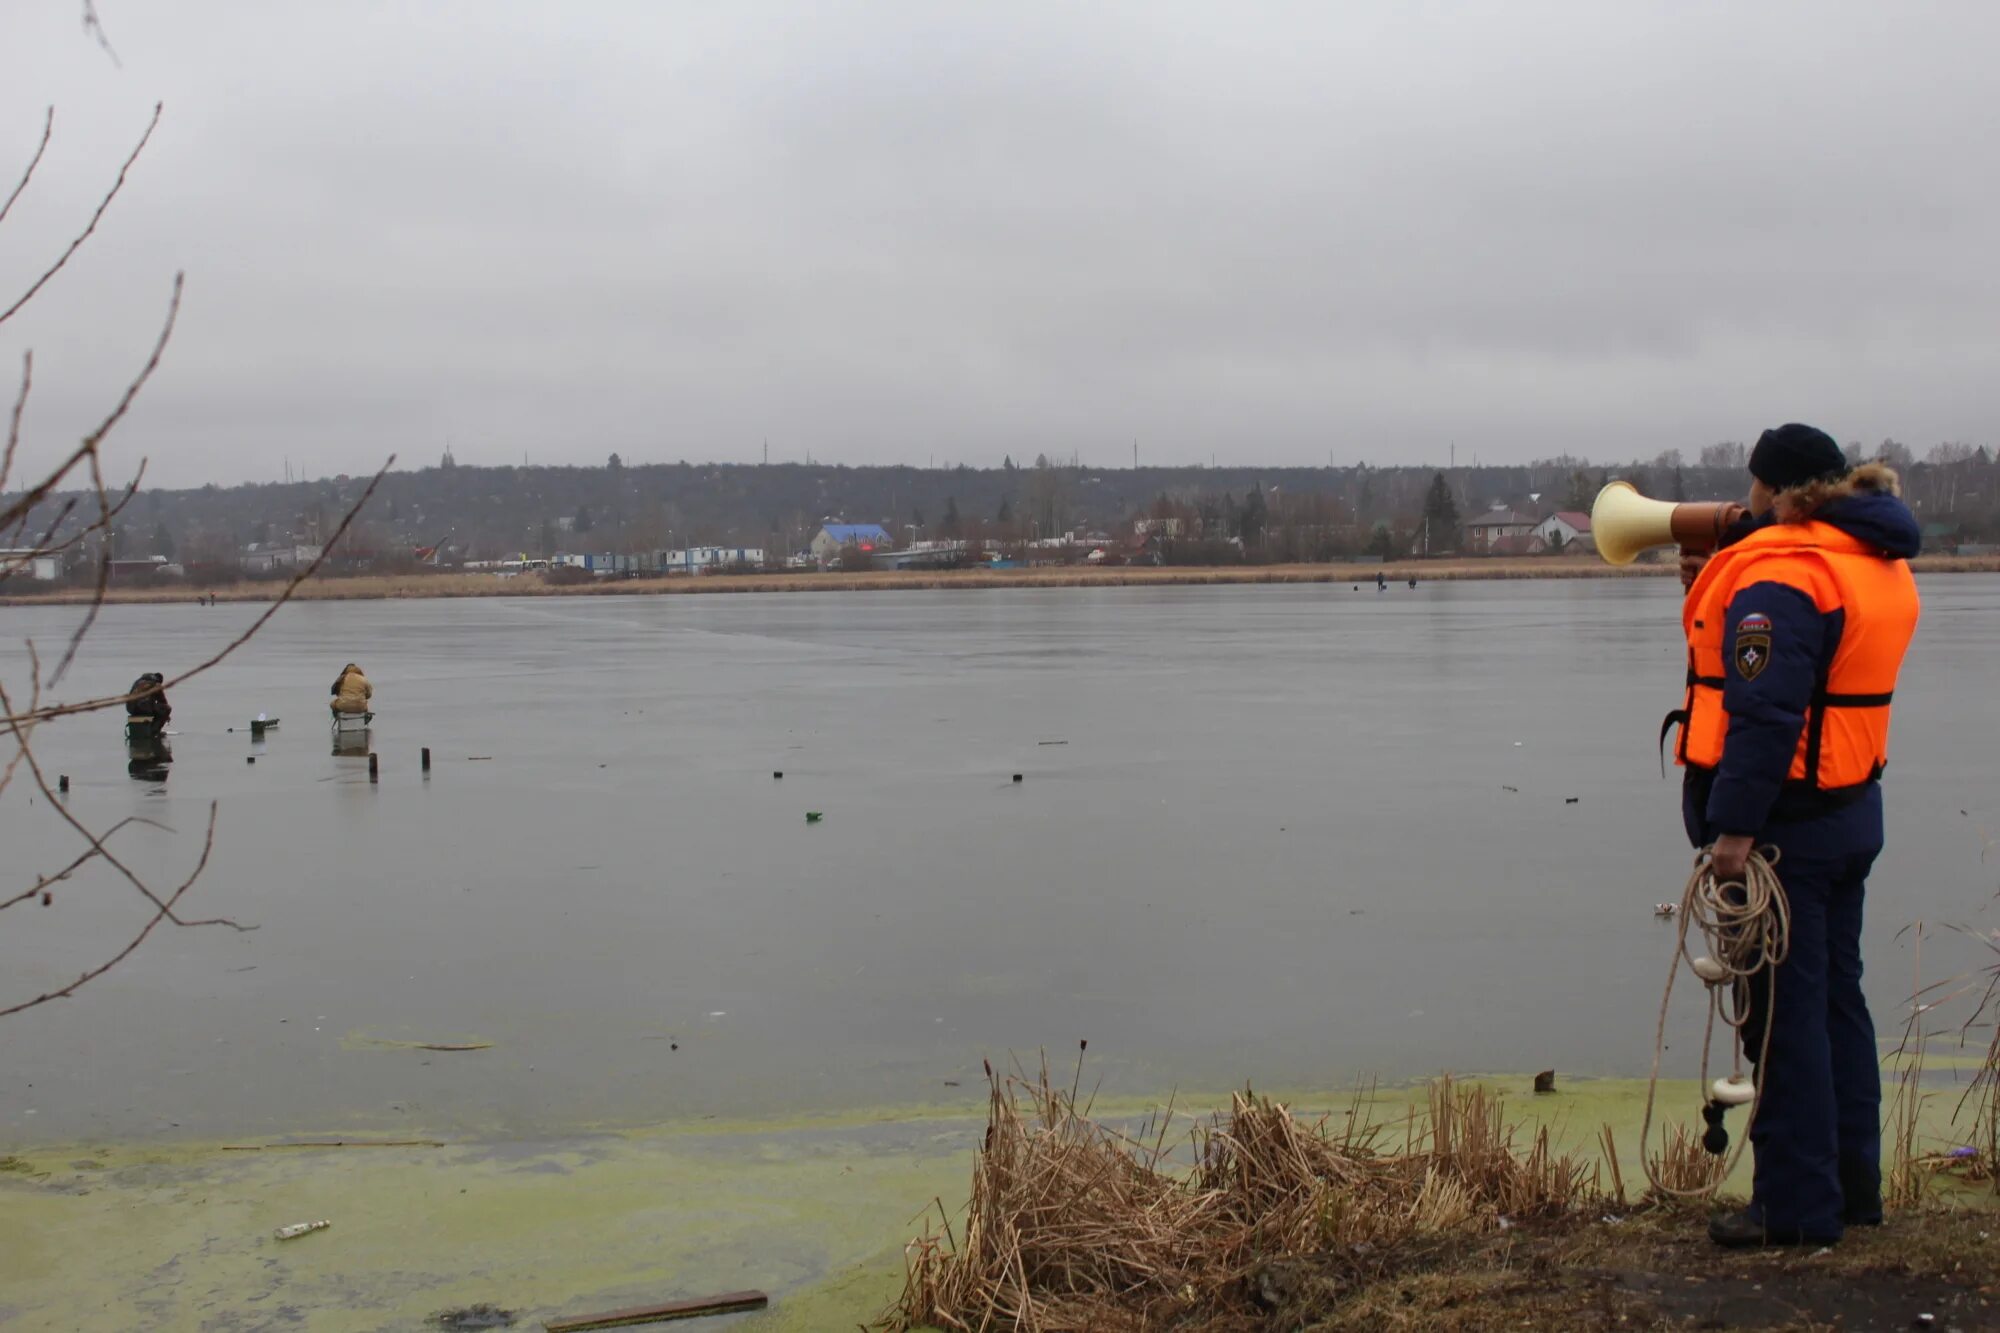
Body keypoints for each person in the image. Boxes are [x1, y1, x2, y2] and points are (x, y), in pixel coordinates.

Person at [1672, 423, 1920, 1248]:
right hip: (1851, 809)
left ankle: (1794, 1205)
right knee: (1837, 1003)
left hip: (1786, 829)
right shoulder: (1872, 556)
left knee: (1780, 1016)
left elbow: (1766, 711)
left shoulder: (1786, 575)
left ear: (1773, 490)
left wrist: (1734, 828)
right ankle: (1852, 1189)